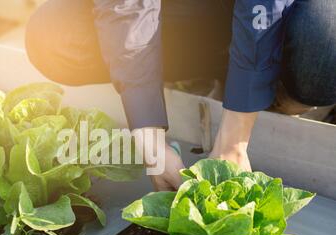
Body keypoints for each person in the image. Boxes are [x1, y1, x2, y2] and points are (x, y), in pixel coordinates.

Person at [25, 0, 336, 191]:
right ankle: (223, 68)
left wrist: (233, 141)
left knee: (326, 45)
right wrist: (149, 137)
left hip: (285, 8)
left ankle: (278, 92)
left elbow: (265, 4)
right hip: (203, 11)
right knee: (53, 35)